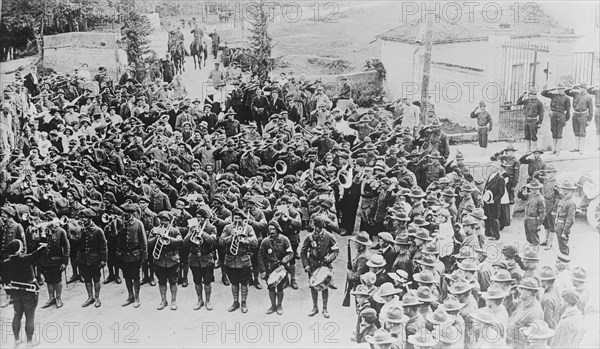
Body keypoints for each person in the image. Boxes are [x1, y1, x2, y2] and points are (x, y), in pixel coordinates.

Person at [2, 239, 48, 348]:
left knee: (17, 315)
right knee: (29, 317)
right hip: (29, 292)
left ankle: (17, 340)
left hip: (15, 293)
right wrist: (43, 245)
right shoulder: (26, 259)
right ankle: (29, 342)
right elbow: (39, 252)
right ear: (19, 250)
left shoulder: (5, 263)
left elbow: (5, 280)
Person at [219, 209, 258, 313]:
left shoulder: (248, 228)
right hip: (230, 260)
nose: (236, 221)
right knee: (234, 282)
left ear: (243, 219)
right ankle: (235, 302)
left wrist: (244, 240)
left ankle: (244, 302)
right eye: (235, 218)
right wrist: (231, 237)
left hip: (244, 260)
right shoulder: (227, 227)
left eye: (239, 218)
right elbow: (221, 242)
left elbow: (255, 242)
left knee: (244, 282)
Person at [301, 215, 339, 318]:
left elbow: (335, 250)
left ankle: (325, 308)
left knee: (324, 286)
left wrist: (329, 258)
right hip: (312, 264)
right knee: (313, 286)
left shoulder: (329, 236)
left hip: (324, 265)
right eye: (315, 227)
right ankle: (315, 307)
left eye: (319, 227)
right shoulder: (309, 237)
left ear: (322, 226)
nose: (317, 229)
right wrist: (306, 265)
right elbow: (303, 252)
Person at [183, 208, 217, 311]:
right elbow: (184, 243)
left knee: (207, 281)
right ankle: (199, 300)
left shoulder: (212, 228)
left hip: (207, 258)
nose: (199, 219)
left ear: (206, 218)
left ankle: (208, 301)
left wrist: (201, 233)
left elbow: (213, 242)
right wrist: (191, 233)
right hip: (194, 258)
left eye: (201, 217)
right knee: (197, 281)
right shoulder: (192, 227)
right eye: (197, 217)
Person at [148, 211, 183, 310]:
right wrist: (157, 237)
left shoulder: (175, 230)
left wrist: (169, 238)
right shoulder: (154, 230)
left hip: (172, 261)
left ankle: (173, 301)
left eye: (166, 220)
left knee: (173, 281)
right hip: (159, 261)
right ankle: (163, 300)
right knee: (161, 282)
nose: (164, 222)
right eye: (162, 220)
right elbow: (148, 243)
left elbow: (180, 242)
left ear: (170, 221)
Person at [258, 220, 293, 315]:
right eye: (270, 229)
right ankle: (273, 305)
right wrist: (263, 270)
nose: (272, 231)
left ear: (277, 229)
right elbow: (260, 256)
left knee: (280, 288)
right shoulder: (265, 241)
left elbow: (290, 253)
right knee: (271, 288)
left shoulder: (284, 239)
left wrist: (284, 262)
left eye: (274, 229)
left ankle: (279, 305)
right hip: (269, 268)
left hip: (281, 268)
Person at [116, 203, 147, 308]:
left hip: (135, 255)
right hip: (123, 255)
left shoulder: (138, 224)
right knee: (126, 276)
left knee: (135, 276)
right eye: (124, 213)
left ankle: (137, 297)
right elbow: (114, 235)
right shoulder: (120, 223)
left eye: (128, 213)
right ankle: (130, 295)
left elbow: (143, 240)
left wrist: (144, 255)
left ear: (132, 214)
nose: (126, 215)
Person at [77, 209, 107, 308]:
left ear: (90, 218)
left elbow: (103, 246)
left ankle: (97, 297)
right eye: (82, 218)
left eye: (85, 218)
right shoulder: (80, 229)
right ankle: (90, 297)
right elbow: (76, 242)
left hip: (94, 259)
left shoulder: (98, 230)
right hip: (83, 259)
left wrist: (103, 259)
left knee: (96, 279)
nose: (83, 220)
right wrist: (80, 231)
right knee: (87, 279)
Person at [541, 83, 571, 155]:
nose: (560, 90)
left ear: (563, 89)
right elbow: (543, 93)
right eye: (559, 89)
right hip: (553, 114)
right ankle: (553, 149)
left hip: (561, 115)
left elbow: (568, 110)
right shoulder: (553, 95)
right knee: (553, 131)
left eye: (561, 89)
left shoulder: (566, 98)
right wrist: (552, 89)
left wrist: (566, 119)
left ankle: (558, 150)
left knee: (559, 132)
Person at [565, 82, 595, 154]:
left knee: (582, 132)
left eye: (581, 88)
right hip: (575, 114)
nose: (580, 89)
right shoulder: (575, 94)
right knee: (576, 131)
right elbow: (566, 92)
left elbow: (591, 109)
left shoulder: (588, 97)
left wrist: (589, 119)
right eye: (579, 87)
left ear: (585, 89)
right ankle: (577, 147)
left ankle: (581, 148)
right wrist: (574, 87)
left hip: (583, 115)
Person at [554, 179, 577, 256]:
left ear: (569, 190)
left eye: (564, 189)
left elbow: (570, 219)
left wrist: (565, 231)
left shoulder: (571, 202)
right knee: (560, 245)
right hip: (559, 224)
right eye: (563, 188)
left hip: (563, 225)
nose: (562, 190)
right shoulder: (564, 199)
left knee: (563, 246)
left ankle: (564, 262)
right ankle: (562, 261)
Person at [522, 178, 546, 247]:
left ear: (537, 189)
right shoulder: (531, 195)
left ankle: (535, 252)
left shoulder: (540, 199)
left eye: (532, 188)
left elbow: (542, 213)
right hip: (527, 218)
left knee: (534, 237)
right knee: (528, 236)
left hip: (533, 219)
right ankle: (531, 250)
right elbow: (523, 198)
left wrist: (539, 224)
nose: (530, 190)